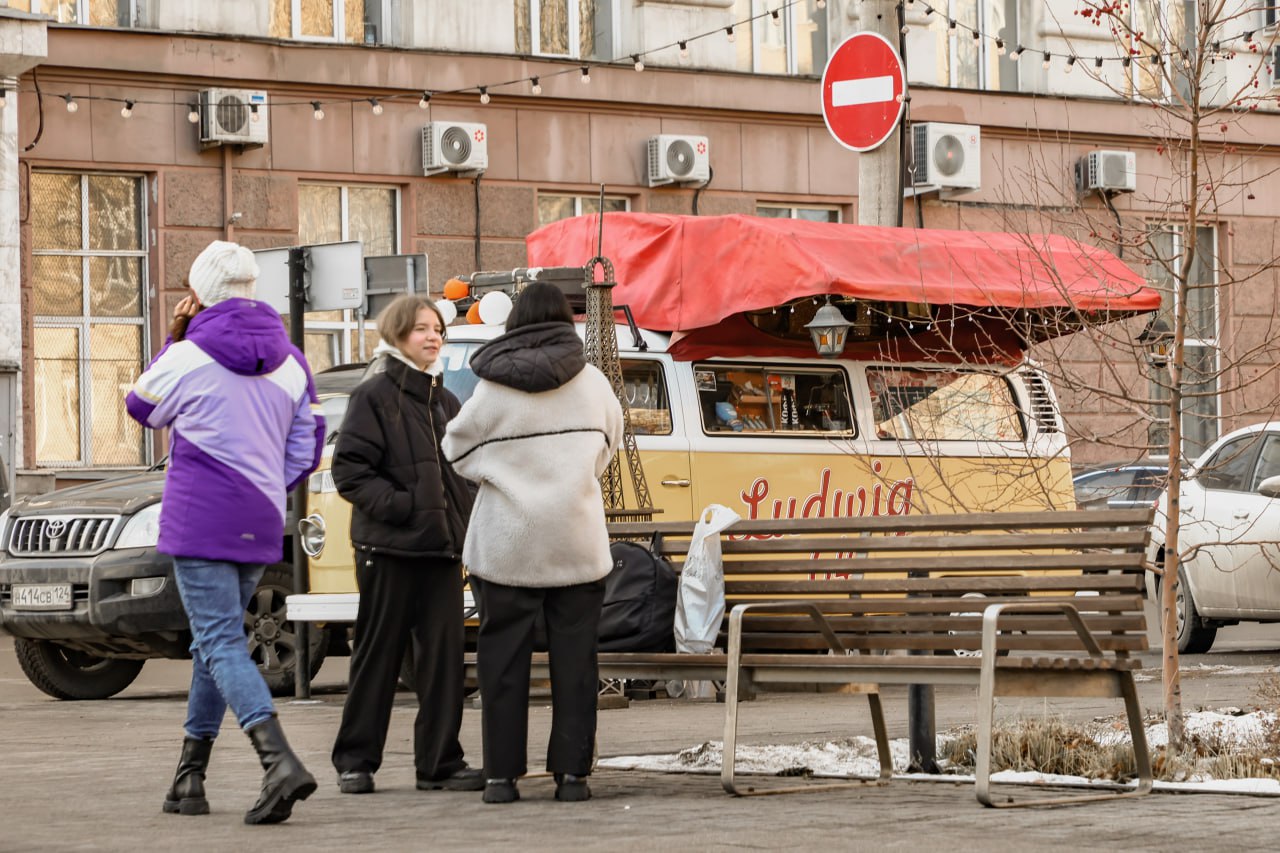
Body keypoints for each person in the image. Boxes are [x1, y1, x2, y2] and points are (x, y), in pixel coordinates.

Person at [125, 240, 324, 825]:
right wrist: (263, 483)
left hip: (201, 515)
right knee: (214, 646)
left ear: (202, 292)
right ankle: (190, 777)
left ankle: (279, 760)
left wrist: (175, 335)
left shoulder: (187, 355)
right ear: (252, 288)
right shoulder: (293, 361)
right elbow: (306, 448)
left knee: (218, 643)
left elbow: (142, 406)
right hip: (260, 517)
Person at [442, 282, 624, 804]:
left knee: (501, 661)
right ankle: (572, 777)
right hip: (575, 539)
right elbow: (607, 447)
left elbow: (456, 451)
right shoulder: (591, 383)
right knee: (576, 662)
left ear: (515, 321)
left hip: (506, 544)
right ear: (566, 322)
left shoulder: (492, 386)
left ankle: (501, 778)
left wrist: (499, 471)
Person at [329, 294, 482, 796]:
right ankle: (356, 761)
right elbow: (349, 472)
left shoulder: (445, 401)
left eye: (437, 328)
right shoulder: (373, 396)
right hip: (388, 550)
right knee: (378, 656)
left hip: (439, 553)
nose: (433, 336)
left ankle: (439, 762)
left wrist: (461, 520)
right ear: (397, 335)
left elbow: (461, 472)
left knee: (443, 662)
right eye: (421, 329)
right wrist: (402, 508)